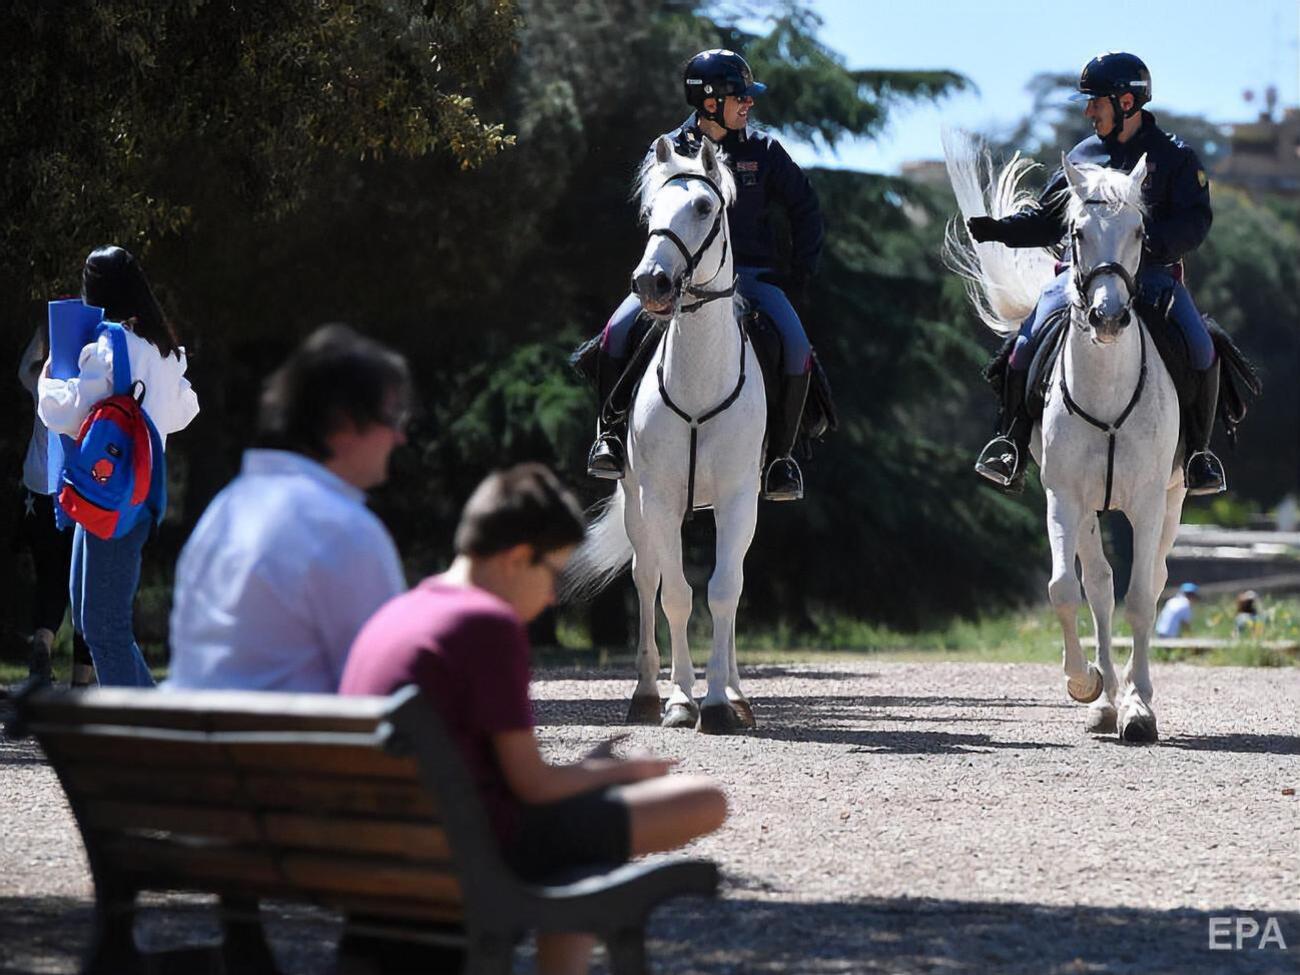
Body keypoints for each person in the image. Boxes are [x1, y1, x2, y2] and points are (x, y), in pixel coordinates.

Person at [340, 464, 727, 975]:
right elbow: (533, 784)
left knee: (582, 848)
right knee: (702, 800)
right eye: (552, 574)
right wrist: (619, 772)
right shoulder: (486, 623)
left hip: (379, 850)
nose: (550, 598)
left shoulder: (398, 612)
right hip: (468, 849)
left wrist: (586, 775)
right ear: (518, 557)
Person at [968, 52, 1224, 496]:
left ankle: (1199, 454)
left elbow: (1196, 220)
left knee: (1202, 349)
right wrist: (1001, 231)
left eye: (1096, 103)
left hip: (1154, 278)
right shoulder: (1083, 156)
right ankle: (1008, 443)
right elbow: (1048, 221)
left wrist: (1150, 244)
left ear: (1127, 101)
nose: (1088, 112)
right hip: (1078, 281)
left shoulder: (1175, 158)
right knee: (1022, 346)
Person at [586, 48, 825, 502]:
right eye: (741, 97)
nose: (749, 105)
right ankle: (610, 436)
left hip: (751, 276)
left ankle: (780, 460)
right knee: (614, 334)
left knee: (796, 347)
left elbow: (805, 209)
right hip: (674, 277)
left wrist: (798, 274)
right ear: (710, 102)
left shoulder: (766, 152)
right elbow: (653, 220)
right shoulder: (669, 149)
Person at [167, 324, 409, 692]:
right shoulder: (345, 530)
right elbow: (391, 688)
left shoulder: (227, 509)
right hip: (295, 749)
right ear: (343, 420)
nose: (399, 436)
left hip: (198, 745)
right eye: (391, 417)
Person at [37, 246, 200, 687]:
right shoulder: (162, 347)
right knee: (94, 622)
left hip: (108, 491)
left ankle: (154, 733)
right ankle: (156, 726)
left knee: (103, 628)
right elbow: (187, 410)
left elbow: (69, 416)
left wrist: (48, 380)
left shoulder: (111, 345)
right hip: (139, 490)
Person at [17, 326, 96, 686]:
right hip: (79, 492)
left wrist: (46, 328)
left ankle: (44, 642)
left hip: (39, 488)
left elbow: (24, 369)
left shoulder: (44, 381)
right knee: (85, 581)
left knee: (50, 575)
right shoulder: (91, 387)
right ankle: (82, 674)